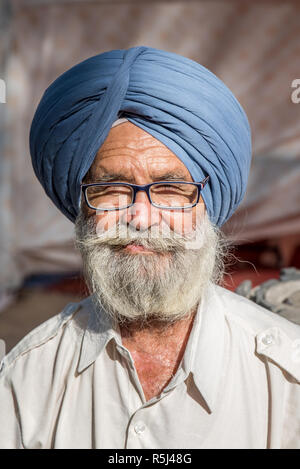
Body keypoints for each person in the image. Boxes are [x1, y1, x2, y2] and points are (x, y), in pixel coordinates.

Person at [0, 46, 299, 449]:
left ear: (208, 208)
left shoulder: (284, 377)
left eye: (171, 189)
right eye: (111, 189)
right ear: (83, 209)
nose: (141, 217)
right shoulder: (26, 378)